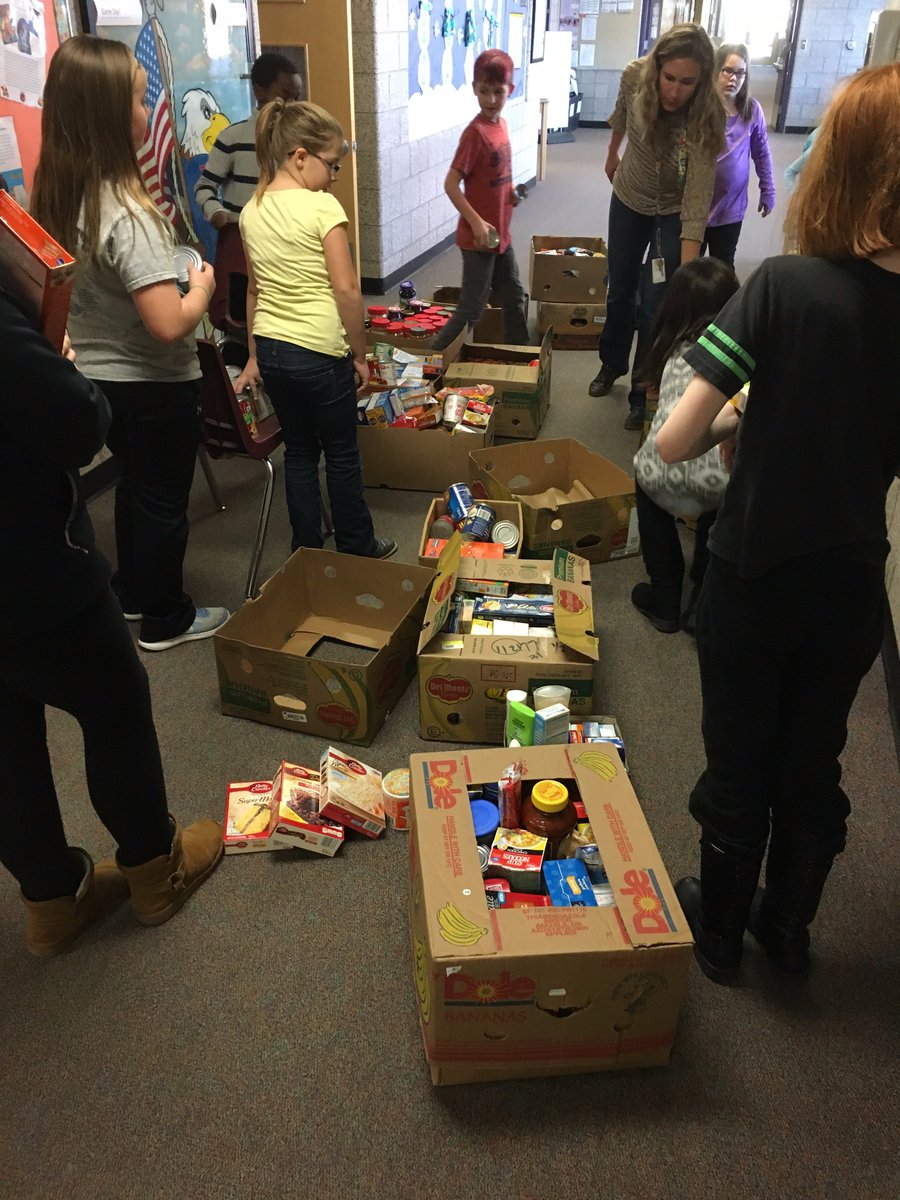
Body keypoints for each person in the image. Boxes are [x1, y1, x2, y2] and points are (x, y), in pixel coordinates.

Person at [656, 62, 900, 985]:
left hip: (756, 569)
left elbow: (677, 443)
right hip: (851, 581)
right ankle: (786, 930)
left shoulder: (784, 287)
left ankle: (719, 938)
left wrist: (742, 417)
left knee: (739, 756)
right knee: (814, 755)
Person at [0, 289, 223, 957]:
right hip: (28, 565)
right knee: (115, 706)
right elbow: (76, 422)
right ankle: (156, 872)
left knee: (4, 743)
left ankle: (52, 901)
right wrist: (64, 365)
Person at [31, 35, 229, 653]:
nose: (150, 113)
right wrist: (201, 285)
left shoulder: (60, 193)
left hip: (98, 375)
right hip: (153, 381)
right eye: (142, 101)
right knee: (166, 497)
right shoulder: (129, 211)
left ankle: (133, 593)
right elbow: (169, 323)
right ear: (112, 114)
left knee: (134, 486)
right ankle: (168, 616)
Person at [234, 99, 396, 559]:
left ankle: (306, 551)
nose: (336, 175)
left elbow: (253, 291)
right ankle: (357, 547)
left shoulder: (252, 210)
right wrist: (361, 356)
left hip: (273, 351)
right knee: (342, 454)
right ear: (300, 156)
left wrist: (253, 354)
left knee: (300, 454)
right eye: (333, 164)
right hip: (321, 353)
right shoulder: (323, 208)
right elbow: (346, 291)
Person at [589, 24, 724, 432]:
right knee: (621, 290)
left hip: (673, 211)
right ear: (657, 68)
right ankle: (611, 363)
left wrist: (685, 279)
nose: (675, 91)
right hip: (629, 196)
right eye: (669, 78)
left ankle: (640, 390)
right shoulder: (633, 76)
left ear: (700, 82)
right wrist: (612, 153)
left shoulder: (707, 116)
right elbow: (620, 115)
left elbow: (698, 199)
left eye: (687, 83)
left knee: (655, 304)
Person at [631, 257, 739, 635]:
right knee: (721, 507)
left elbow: (659, 405)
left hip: (662, 468)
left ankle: (665, 597)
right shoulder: (742, 356)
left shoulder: (669, 347)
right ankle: (702, 598)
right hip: (719, 479)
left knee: (646, 478)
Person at [195, 52, 304, 329]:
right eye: (285, 96)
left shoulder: (301, 139)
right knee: (243, 317)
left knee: (286, 317)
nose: (291, 104)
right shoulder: (232, 138)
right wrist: (215, 211)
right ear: (260, 91)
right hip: (242, 244)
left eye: (297, 97)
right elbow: (205, 186)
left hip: (287, 241)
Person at [431, 48, 530, 350]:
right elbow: (450, 184)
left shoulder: (501, 125)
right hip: (478, 241)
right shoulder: (474, 134)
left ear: (509, 91)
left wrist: (510, 192)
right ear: (474, 87)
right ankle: (430, 364)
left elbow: (498, 173)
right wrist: (475, 223)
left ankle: (524, 359)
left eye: (497, 92)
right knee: (472, 309)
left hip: (502, 235)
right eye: (483, 91)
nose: (490, 99)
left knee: (513, 296)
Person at [703, 43, 775, 268]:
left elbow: (761, 153)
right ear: (716, 70)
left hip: (730, 208)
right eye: (728, 71)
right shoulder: (701, 109)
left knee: (723, 266)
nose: (734, 78)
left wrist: (768, 189)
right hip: (698, 206)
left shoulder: (751, 110)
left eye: (741, 73)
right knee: (688, 268)